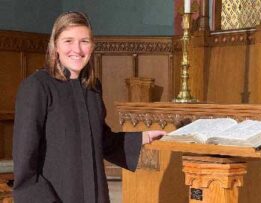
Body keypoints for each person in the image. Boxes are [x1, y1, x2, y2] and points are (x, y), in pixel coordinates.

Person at [12, 11, 166, 203]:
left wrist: (141, 137)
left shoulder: (92, 87)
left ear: (92, 46)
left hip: (94, 193)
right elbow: (25, 160)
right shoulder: (37, 86)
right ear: (55, 45)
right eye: (68, 41)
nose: (77, 49)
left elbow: (100, 138)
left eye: (84, 41)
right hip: (56, 195)